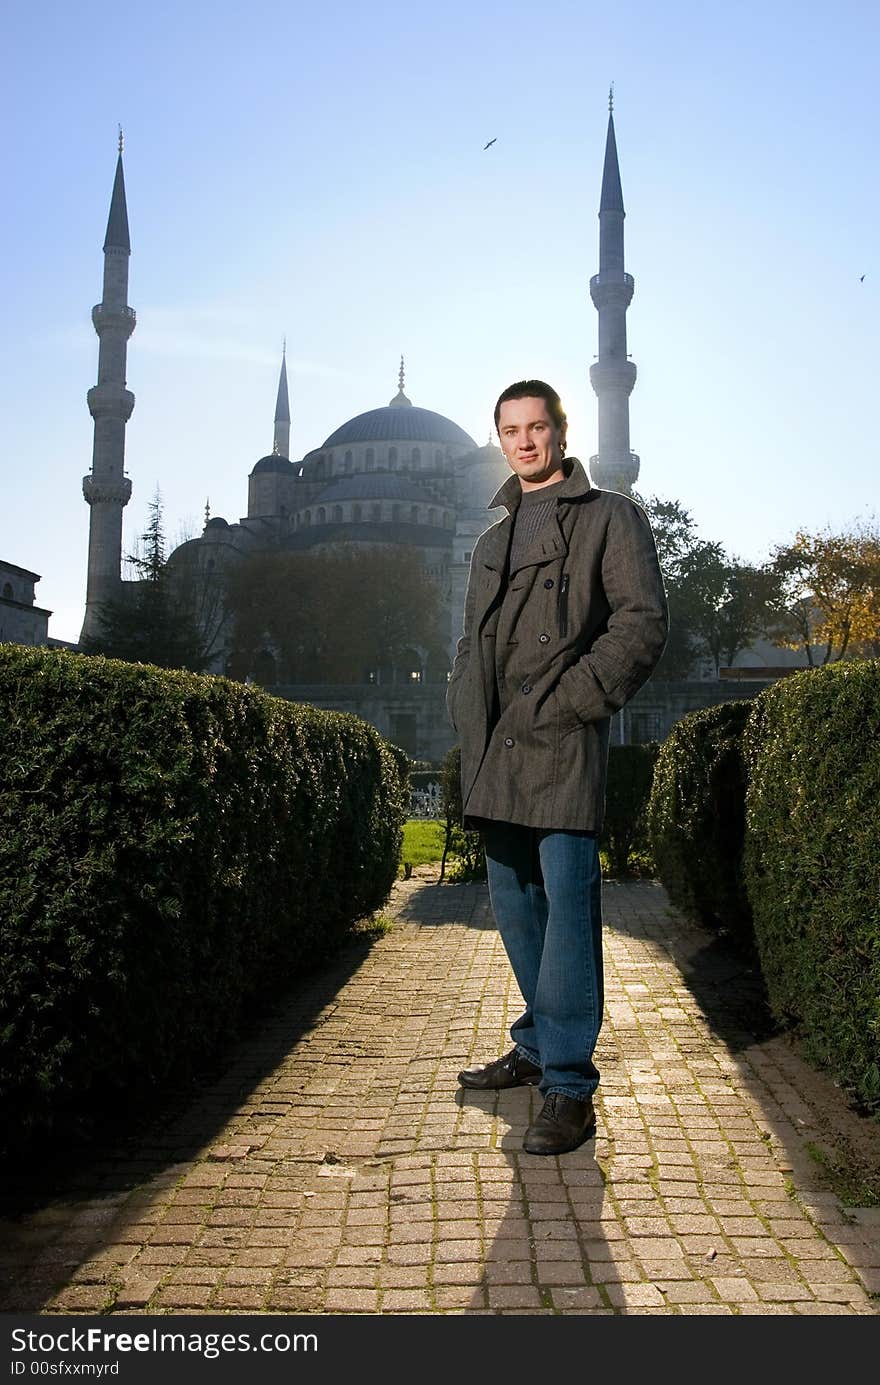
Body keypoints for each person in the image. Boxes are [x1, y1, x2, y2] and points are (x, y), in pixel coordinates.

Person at [446, 380, 668, 1155]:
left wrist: (575, 698)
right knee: (516, 907)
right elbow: (474, 645)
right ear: (500, 439)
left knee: (568, 912)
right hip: (495, 745)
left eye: (537, 427)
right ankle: (538, 1042)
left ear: (560, 432)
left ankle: (568, 1085)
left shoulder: (611, 517)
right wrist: (463, 710)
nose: (525, 441)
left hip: (560, 741)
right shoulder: (488, 541)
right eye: (511, 429)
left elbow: (640, 623)